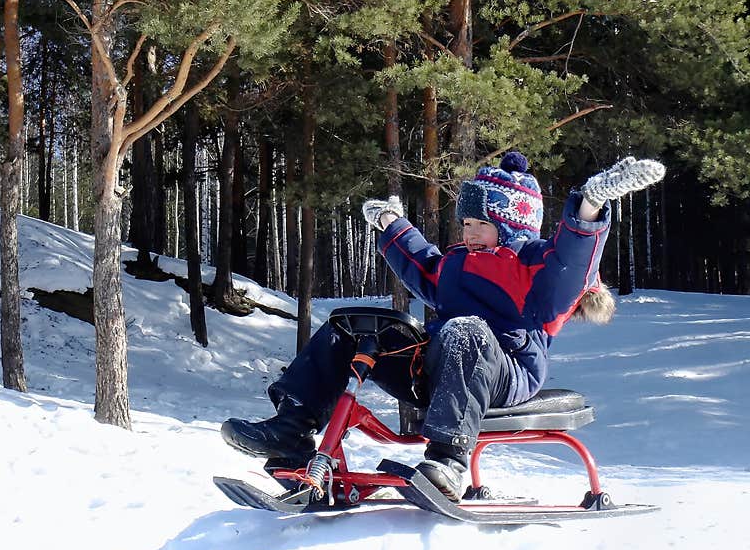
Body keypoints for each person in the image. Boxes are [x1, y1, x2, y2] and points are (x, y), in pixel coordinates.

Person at [221, 151, 665, 501]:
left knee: (465, 331)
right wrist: (390, 223)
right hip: (439, 365)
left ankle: (448, 461)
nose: (469, 232)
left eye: (481, 224)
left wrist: (590, 203)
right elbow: (421, 264)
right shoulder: (455, 264)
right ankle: (290, 431)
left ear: (510, 226)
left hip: (506, 370)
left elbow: (571, 262)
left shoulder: (536, 271)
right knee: (352, 327)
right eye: (466, 223)